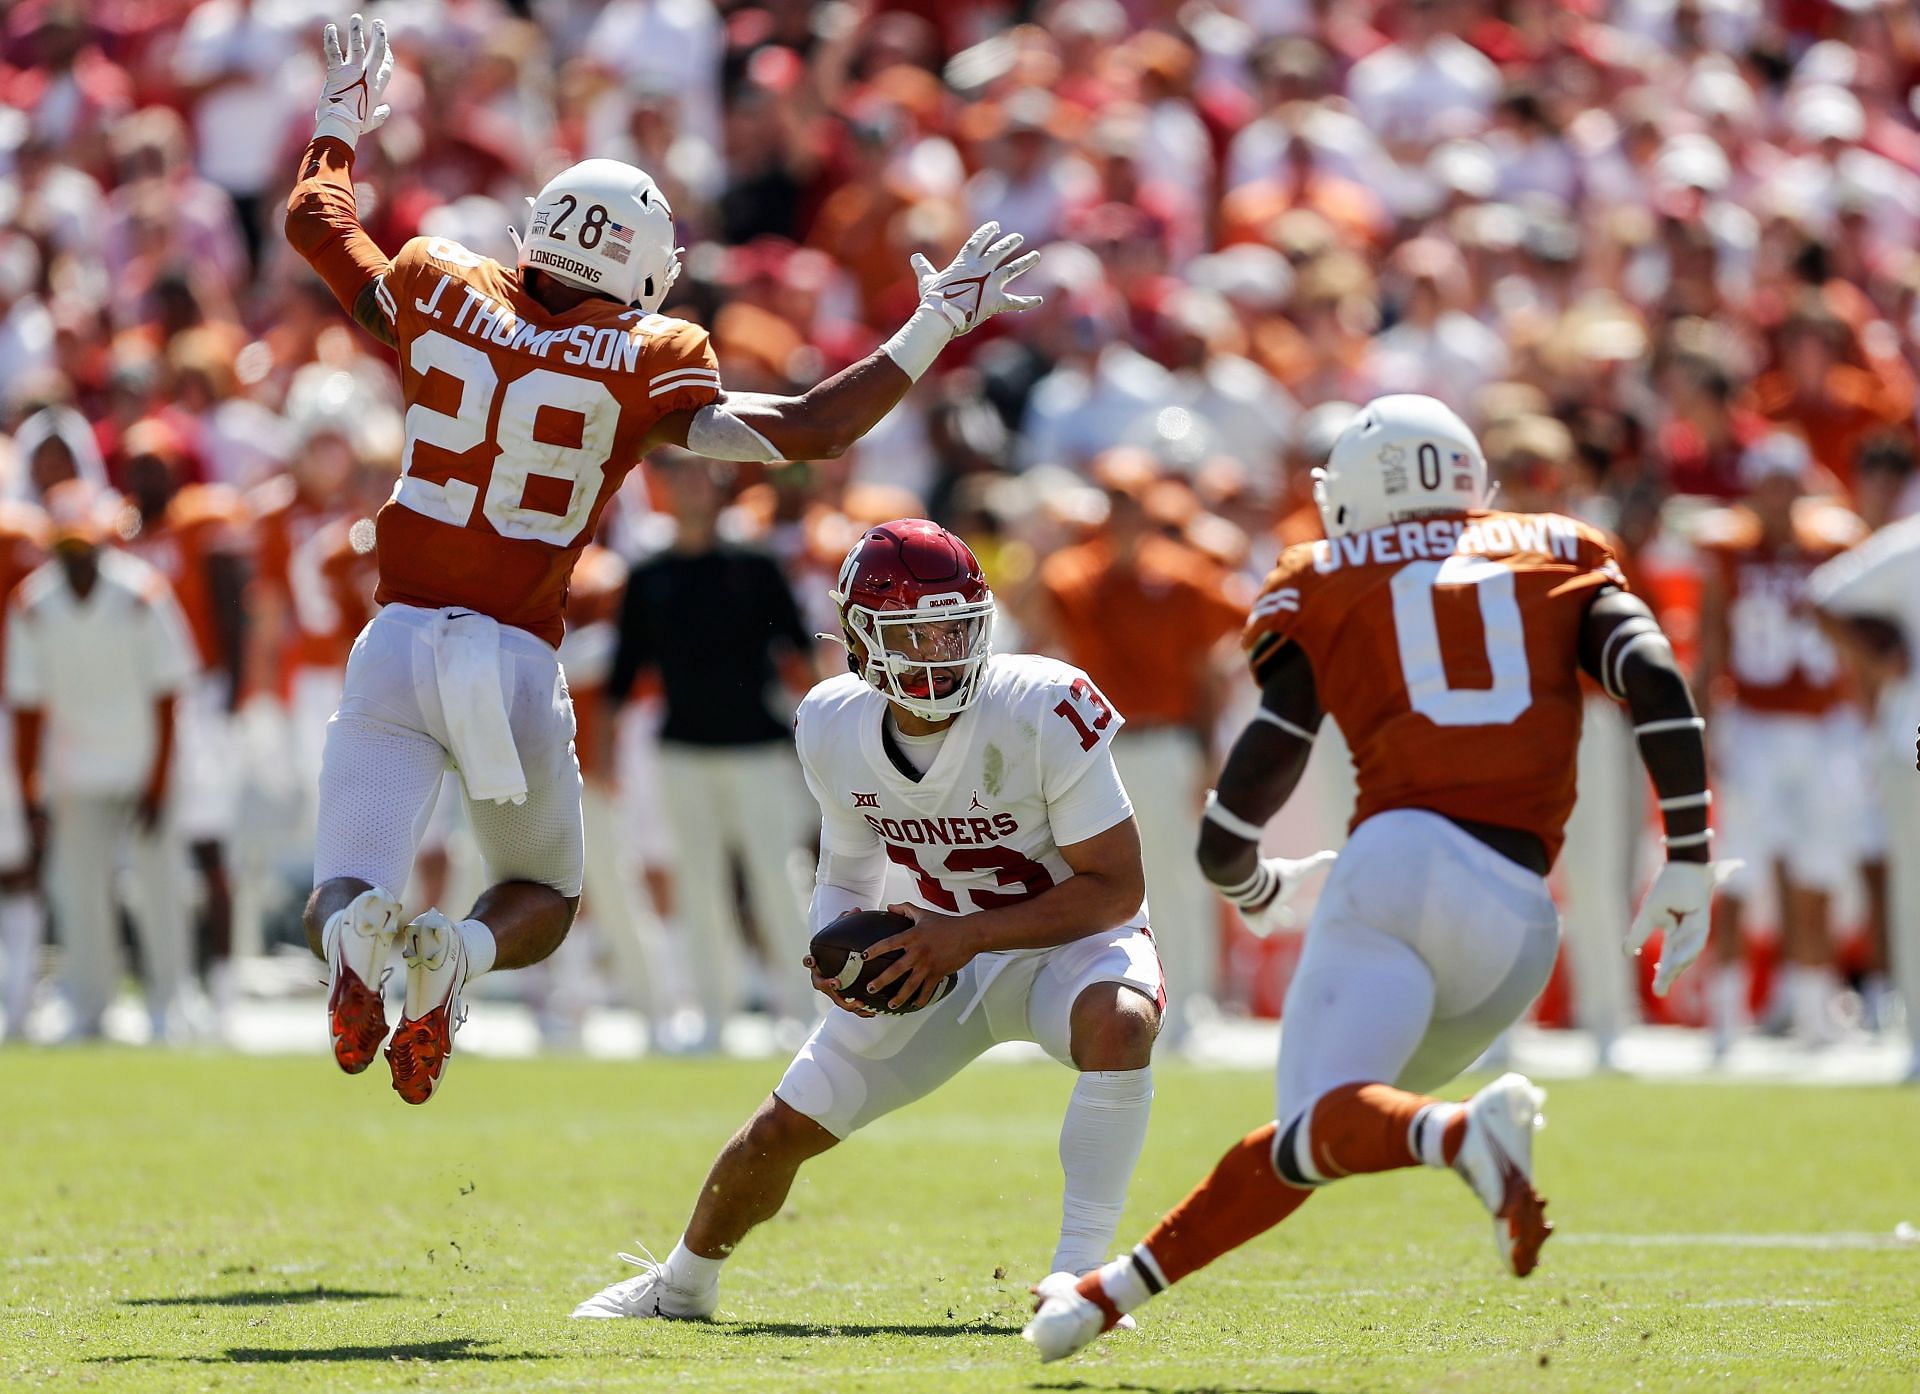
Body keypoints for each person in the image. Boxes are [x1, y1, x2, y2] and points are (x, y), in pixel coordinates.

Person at [282, 14, 1043, 1103]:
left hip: (397, 638)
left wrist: (342, 120)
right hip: (509, 658)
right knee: (540, 891)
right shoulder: (649, 362)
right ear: (648, 270)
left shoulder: (442, 286)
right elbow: (816, 427)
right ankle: (460, 954)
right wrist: (930, 324)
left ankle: (362, 929)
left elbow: (316, 215)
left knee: (342, 883)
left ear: (535, 228)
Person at [1024, 395, 1735, 1361]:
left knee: (1321, 1116)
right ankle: (1103, 1298)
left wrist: (1240, 875)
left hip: (1398, 871)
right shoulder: (1561, 547)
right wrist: (1689, 854)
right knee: (1322, 1136)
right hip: (1522, 924)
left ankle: (1459, 1135)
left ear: (1365, 486)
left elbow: (1259, 770)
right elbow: (1655, 680)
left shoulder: (1326, 575)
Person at [573, 519, 1163, 1320]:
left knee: (1122, 1025)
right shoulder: (832, 721)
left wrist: (967, 935)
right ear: (859, 635)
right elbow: (847, 870)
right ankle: (681, 1282)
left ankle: (1081, 1276)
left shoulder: (1042, 704)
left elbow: (1116, 890)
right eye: (915, 634)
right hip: (933, 949)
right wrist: (834, 964)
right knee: (781, 1130)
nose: (942, 650)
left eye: (957, 628)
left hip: (1063, 944)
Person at [606, 454, 815, 1046]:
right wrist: (603, 757)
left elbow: (802, 654)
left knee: (777, 879)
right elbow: (624, 675)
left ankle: (801, 1013)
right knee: (698, 883)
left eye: (703, 476)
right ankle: (714, 1017)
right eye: (682, 477)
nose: (693, 487)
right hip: (683, 751)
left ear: (720, 488)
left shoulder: (757, 564)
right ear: (667, 489)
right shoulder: (649, 575)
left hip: (757, 749)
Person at [1037, 450, 1244, 1047]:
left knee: (1176, 875)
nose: (1123, 513)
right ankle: (1113, 998)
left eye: (1132, 500)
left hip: (1164, 740)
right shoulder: (1074, 569)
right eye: (1114, 500)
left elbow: (1212, 667)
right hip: (1099, 746)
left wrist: (1208, 750)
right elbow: (1026, 625)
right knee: (1097, 880)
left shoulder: (1182, 572)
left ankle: (1191, 1003)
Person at [1692, 433, 1867, 1049]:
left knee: (1817, 866)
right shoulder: (1729, 549)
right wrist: (1702, 721)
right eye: (1766, 485)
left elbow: (1861, 639)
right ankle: (1726, 1012)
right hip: (1758, 723)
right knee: (1740, 869)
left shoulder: (1836, 543)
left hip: (1823, 724)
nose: (1776, 498)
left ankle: (1815, 1008)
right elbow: (1712, 640)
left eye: (1785, 485)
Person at [6, 480, 196, 1042]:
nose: (76, 560)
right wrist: (30, 793)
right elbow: (25, 708)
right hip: (77, 769)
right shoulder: (32, 607)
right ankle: (89, 1005)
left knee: (161, 888)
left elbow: (169, 693)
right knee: (80, 892)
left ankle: (169, 1003)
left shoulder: (142, 595)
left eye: (83, 547)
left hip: (143, 764)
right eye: (66, 548)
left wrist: (160, 781)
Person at [1809, 515, 1920, 1083]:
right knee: (1915, 892)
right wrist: (1876, 654)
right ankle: (1918, 1037)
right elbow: (1824, 594)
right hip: (1915, 735)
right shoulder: (1910, 544)